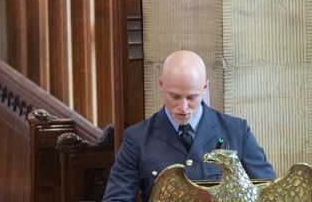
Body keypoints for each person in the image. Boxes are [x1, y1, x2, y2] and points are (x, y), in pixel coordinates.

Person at [102, 50, 276, 202]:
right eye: (175, 97)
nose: (183, 107)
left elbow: (269, 194)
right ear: (161, 85)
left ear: (205, 87)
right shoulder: (137, 139)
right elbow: (116, 198)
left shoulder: (236, 132)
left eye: (192, 97)